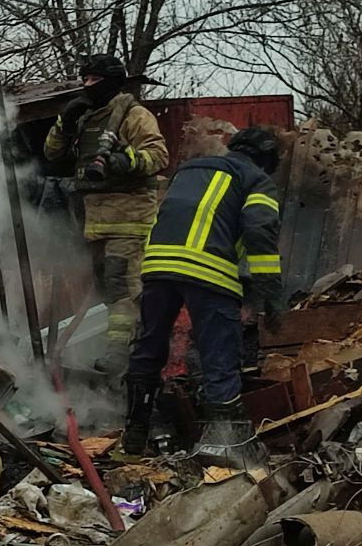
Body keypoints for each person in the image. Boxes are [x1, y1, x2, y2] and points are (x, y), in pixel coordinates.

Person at [122, 127, 284, 465]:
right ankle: (225, 443)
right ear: (266, 158)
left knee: (149, 346)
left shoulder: (191, 169)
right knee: (219, 354)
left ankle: (135, 433)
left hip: (157, 265)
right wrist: (268, 288)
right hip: (208, 269)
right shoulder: (256, 179)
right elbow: (259, 229)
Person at [43, 54, 168, 377]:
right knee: (106, 286)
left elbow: (158, 154)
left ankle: (122, 354)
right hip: (95, 219)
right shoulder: (88, 117)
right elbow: (53, 154)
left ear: (112, 81)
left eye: (94, 81)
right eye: (84, 80)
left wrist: (122, 160)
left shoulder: (134, 115)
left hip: (129, 215)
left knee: (121, 284)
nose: (87, 86)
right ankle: (122, 347)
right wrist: (66, 121)